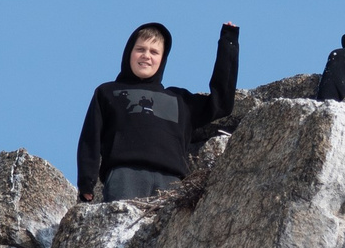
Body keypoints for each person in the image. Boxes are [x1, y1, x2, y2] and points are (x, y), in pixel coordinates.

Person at [76, 20, 240, 202]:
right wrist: (86, 183)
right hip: (125, 176)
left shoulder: (180, 100)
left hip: (172, 182)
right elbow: (90, 139)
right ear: (129, 52)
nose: (146, 55)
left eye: (154, 52)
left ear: (162, 59)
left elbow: (222, 103)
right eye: (140, 49)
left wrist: (229, 43)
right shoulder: (108, 92)